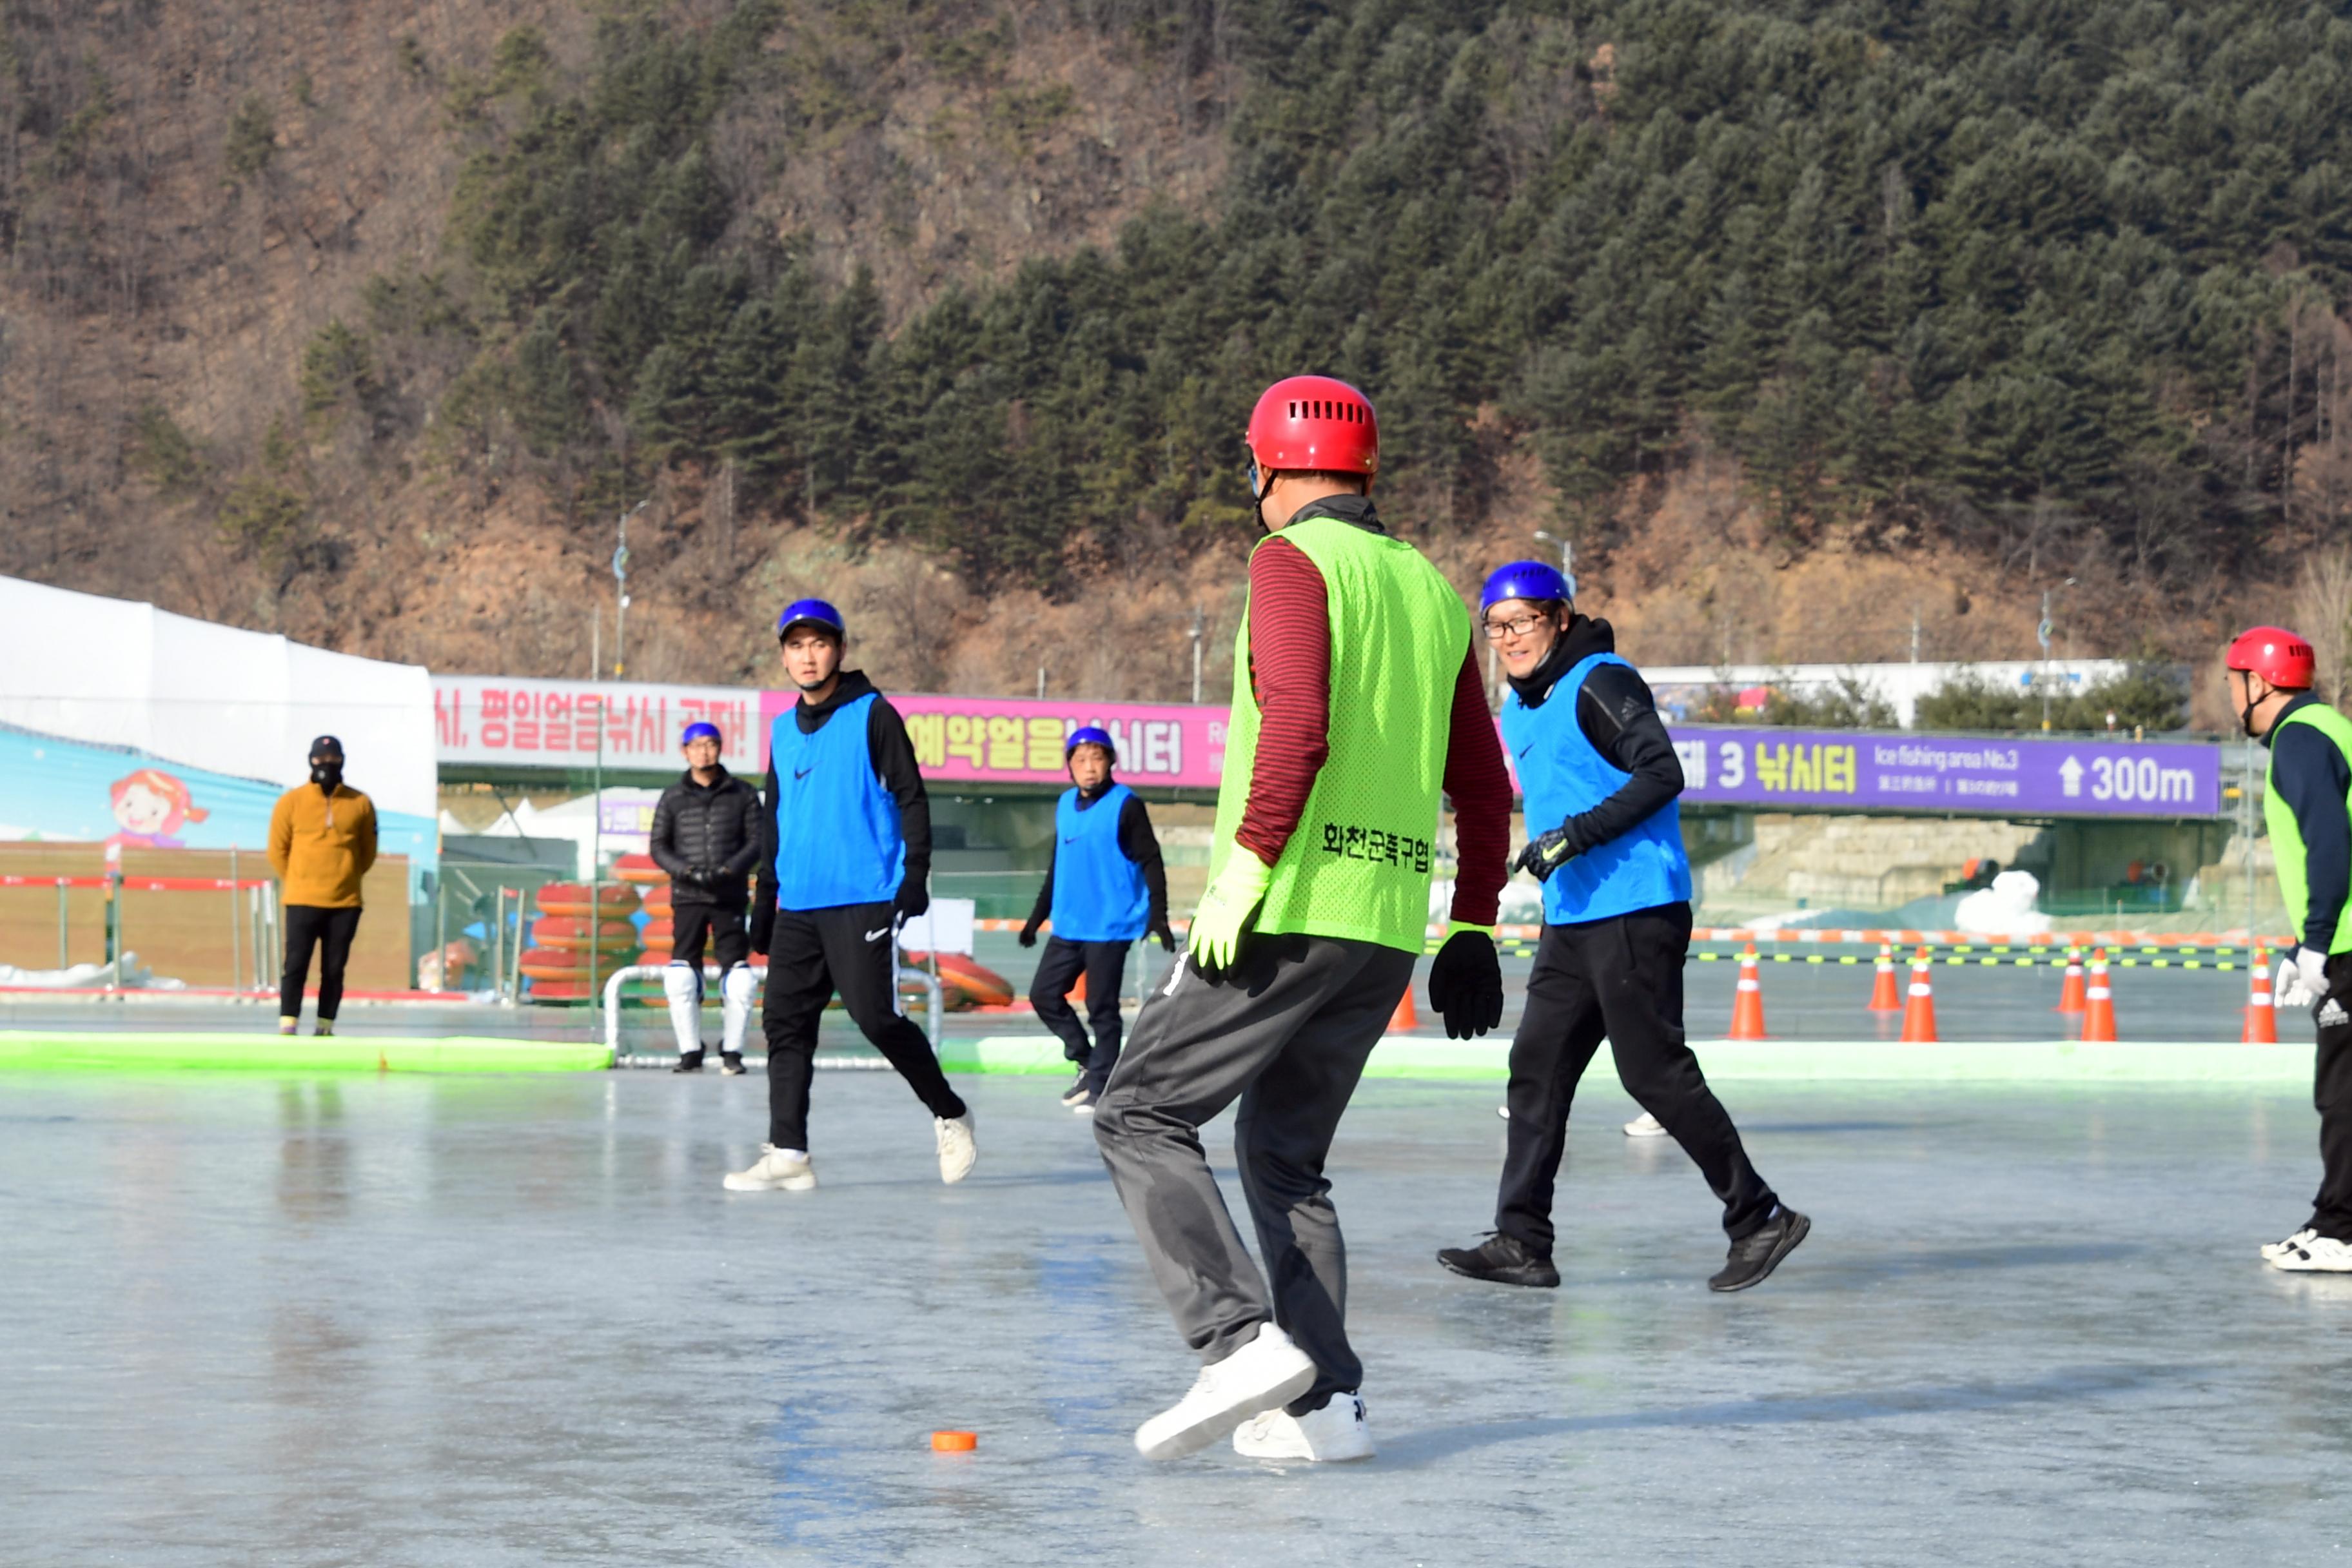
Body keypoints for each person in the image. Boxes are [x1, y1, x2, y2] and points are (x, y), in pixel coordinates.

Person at [1092, 375, 1512, 1464]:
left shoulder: (1288, 561)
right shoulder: (1426, 587)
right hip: (1381, 928)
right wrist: (1467, 926)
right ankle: (1324, 1407)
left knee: (1137, 1111)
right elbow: (1479, 780)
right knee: (1283, 1158)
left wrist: (1238, 875)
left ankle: (1234, 1341)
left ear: (1269, 467)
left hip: (1283, 910)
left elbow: (1297, 730)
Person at [1436, 563, 1808, 1295]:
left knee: (1652, 1073)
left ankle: (1759, 1215)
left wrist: (1574, 835)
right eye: (1498, 627)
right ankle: (1523, 1240)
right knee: (1536, 1071)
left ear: (1561, 618)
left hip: (1636, 907)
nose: (1510, 638)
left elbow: (1661, 772)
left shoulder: (1603, 680)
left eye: (1525, 621)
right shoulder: (1519, 707)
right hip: (1573, 915)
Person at [725, 599, 976, 1194]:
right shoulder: (783, 730)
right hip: (799, 906)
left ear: (839, 648)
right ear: (784, 656)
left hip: (863, 896)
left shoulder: (874, 714)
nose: (807, 657)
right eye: (795, 646)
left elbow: (912, 797)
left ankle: (950, 1112)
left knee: (876, 1017)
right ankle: (788, 1152)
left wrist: (915, 875)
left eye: (818, 644)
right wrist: (765, 901)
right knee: (784, 1024)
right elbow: (775, 821)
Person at [2228, 627, 2352, 1272]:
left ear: (2261, 682)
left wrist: (2318, 942)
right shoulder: (2330, 727)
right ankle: (2336, 1216)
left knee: (2343, 1090)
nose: (2230, 695)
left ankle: (2342, 1228)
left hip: (2350, 947)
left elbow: (2330, 841)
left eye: (2233, 680)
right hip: (2342, 938)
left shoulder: (2300, 740)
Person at [1019, 726, 1175, 1113]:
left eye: (1097, 759)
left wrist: (1159, 915)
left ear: (1110, 763)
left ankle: (1103, 1083)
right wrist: (1035, 919)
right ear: (1070, 767)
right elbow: (1059, 866)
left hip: (1110, 925)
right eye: (1080, 760)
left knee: (1101, 1006)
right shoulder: (1064, 805)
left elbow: (1150, 859)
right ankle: (1088, 1061)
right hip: (1070, 924)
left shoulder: (1126, 805)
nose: (1089, 768)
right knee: (1043, 994)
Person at [649, 721, 763, 1074]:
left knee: (741, 979)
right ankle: (690, 1051)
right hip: (687, 896)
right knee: (681, 976)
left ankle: (733, 1052)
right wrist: (687, 872)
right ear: (685, 752)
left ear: (720, 748)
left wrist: (729, 871)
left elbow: (759, 842)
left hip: (729, 897)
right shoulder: (672, 798)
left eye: (711, 744)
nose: (704, 751)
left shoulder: (743, 794)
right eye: (696, 746)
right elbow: (658, 846)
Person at [266, 736, 377, 1037]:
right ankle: (288, 1023)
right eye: (320, 758)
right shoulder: (291, 801)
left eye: (333, 757)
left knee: (334, 968)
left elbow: (367, 852)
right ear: (311, 761)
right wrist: (300, 878)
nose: (326, 764)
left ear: (342, 760)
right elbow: (278, 850)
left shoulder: (360, 803)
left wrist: (348, 875)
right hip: (302, 899)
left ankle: (325, 1026)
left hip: (345, 902)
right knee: (296, 965)